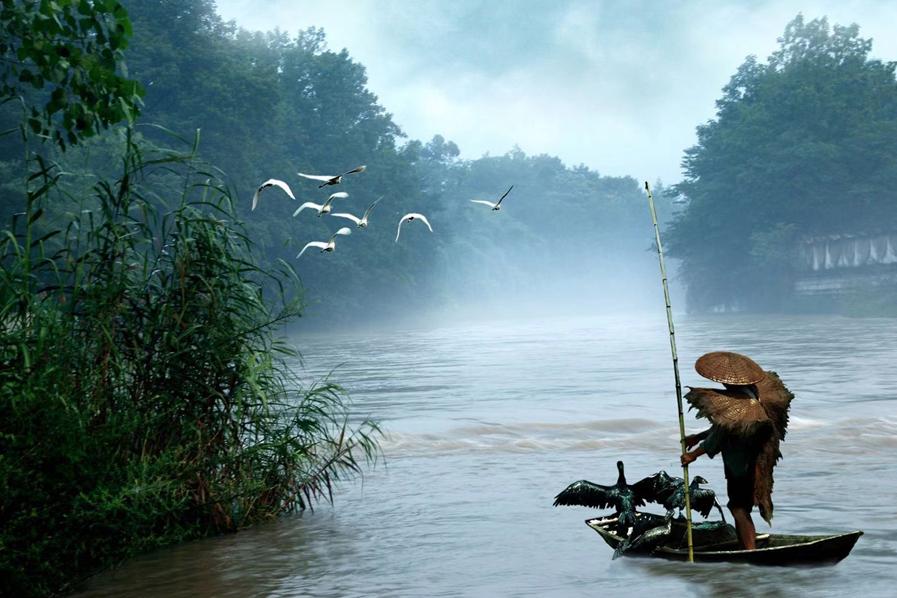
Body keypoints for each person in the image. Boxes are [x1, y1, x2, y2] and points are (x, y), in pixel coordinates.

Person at [679, 351, 793, 550]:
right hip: (753, 461)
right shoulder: (753, 396)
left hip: (741, 467)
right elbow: (724, 427)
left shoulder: (739, 406)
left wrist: (692, 455)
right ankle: (747, 546)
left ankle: (749, 551)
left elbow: (718, 438)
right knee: (741, 507)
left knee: (738, 508)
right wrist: (698, 436)